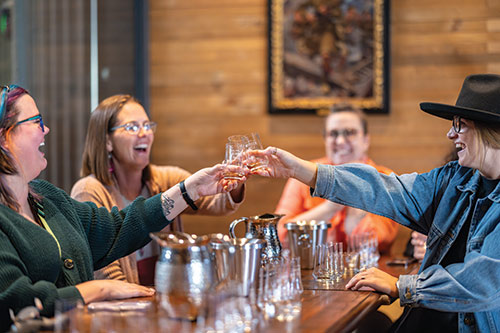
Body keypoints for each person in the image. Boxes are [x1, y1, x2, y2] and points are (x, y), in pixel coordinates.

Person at [250, 74, 500, 332]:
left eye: (459, 125)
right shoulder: (454, 179)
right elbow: (388, 190)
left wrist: (400, 285)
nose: (450, 134)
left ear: (489, 130)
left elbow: (483, 283)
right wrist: (300, 169)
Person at [0, 85, 246, 331]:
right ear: (4, 137)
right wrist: (100, 289)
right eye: (36, 121)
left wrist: (189, 189)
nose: (46, 129)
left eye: (147, 125)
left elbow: (117, 227)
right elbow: (15, 302)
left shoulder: (47, 197)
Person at [70, 95, 245, 285]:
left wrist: (236, 179)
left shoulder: (166, 179)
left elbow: (219, 204)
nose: (144, 133)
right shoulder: (88, 191)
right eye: (132, 127)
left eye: (147, 125)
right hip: (124, 308)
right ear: (107, 141)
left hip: (166, 303)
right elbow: (105, 275)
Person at [275, 105, 399, 253]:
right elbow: (279, 236)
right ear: (325, 140)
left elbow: (378, 242)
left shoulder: (385, 178)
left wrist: (353, 190)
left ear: (365, 140)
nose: (340, 141)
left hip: (370, 273)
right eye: (333, 134)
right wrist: (330, 207)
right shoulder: (302, 175)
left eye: (350, 132)